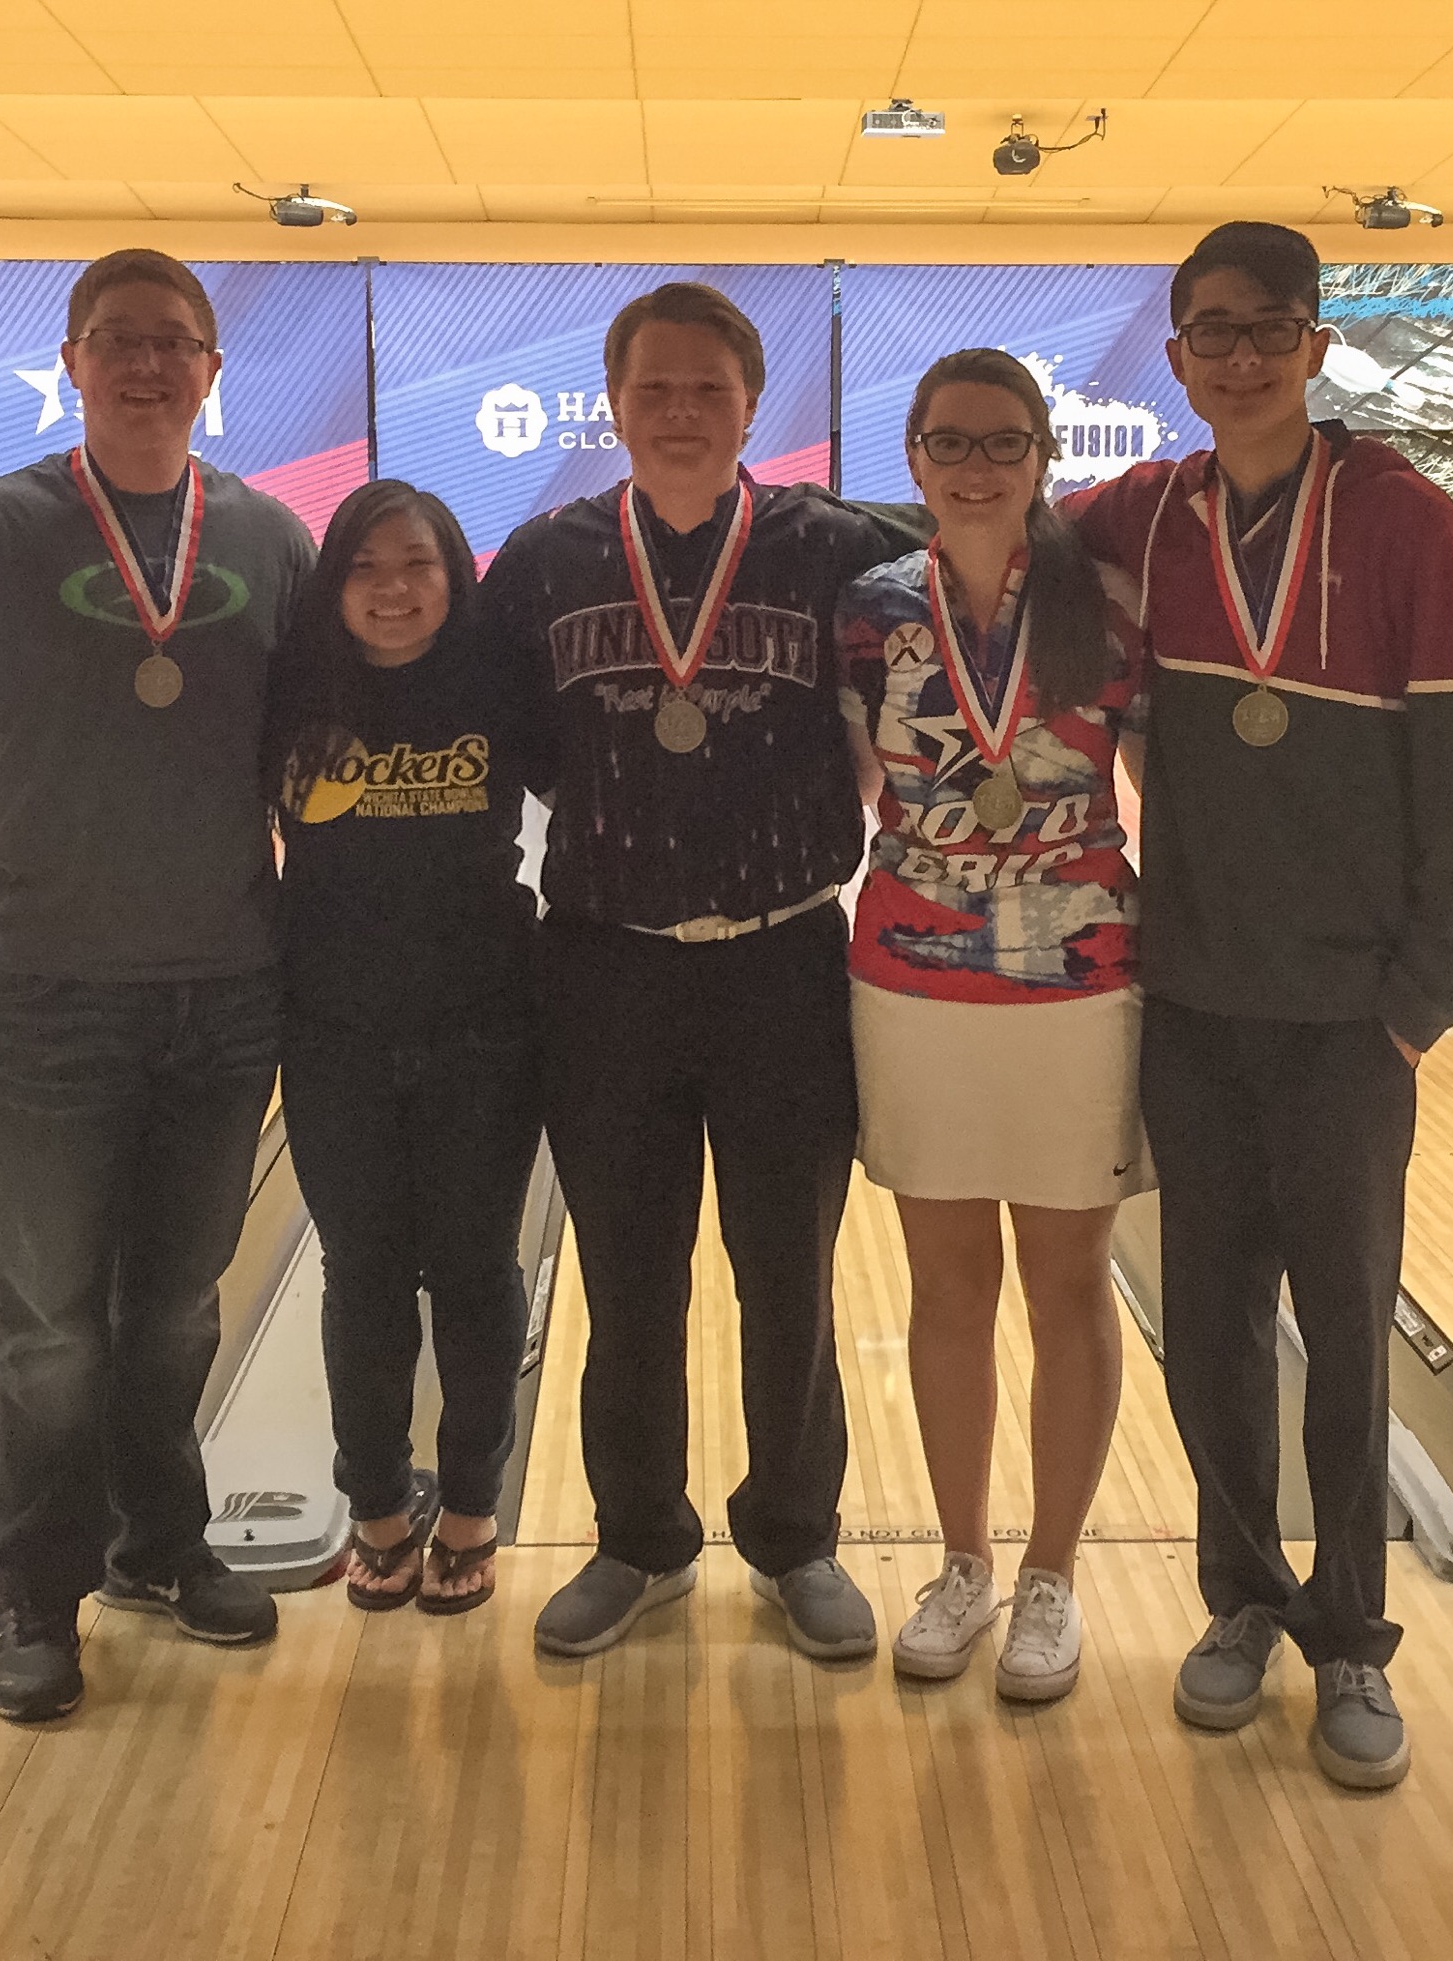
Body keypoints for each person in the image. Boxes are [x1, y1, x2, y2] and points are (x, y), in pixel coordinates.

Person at [1062, 222, 1453, 1789]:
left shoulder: (1406, 522)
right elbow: (982, 530)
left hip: (1344, 1023)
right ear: (1174, 356)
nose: (1238, 358)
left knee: (1342, 1337)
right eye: (1209, 333)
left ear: (1316, 348)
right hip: (1192, 1000)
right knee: (1209, 1337)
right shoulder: (1149, 510)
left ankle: (1353, 1642)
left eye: (1268, 331)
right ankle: (1241, 1601)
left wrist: (1422, 1003)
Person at [0, 248, 316, 1724]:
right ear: (72, 358)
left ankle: (159, 1549)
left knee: (176, 1308)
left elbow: (310, 766)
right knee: (51, 1319)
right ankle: (33, 1595)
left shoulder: (272, 536)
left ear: (212, 371)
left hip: (225, 988)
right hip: (41, 990)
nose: (147, 365)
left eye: (174, 343)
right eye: (117, 340)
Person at [481, 282, 921, 1662]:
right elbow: (506, 743)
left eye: (707, 392)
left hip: (785, 962)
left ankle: (794, 1540)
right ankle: (640, 1540)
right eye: (653, 390)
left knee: (788, 1274)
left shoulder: (838, 549)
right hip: (605, 968)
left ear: (753, 406)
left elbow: (989, 587)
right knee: (627, 1275)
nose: (679, 413)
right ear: (613, 404)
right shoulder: (544, 559)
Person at [837, 349, 1149, 1701]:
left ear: (1042, 457)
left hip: (1080, 984)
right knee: (948, 1288)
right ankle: (961, 1562)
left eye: (1003, 441)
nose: (975, 463)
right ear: (912, 457)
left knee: (1066, 1287)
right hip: (914, 979)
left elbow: (1174, 794)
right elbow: (844, 780)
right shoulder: (864, 612)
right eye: (949, 439)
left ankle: (1051, 1575)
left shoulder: (1108, 605)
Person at [266, 480, 544, 1616]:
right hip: (332, 1026)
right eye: (366, 566)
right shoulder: (292, 687)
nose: (391, 588)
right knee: (363, 1278)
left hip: (482, 1024)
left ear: (455, 573)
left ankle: (470, 1504)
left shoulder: (499, 679)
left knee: (476, 1274)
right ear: (334, 582)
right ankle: (378, 1503)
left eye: (416, 564)